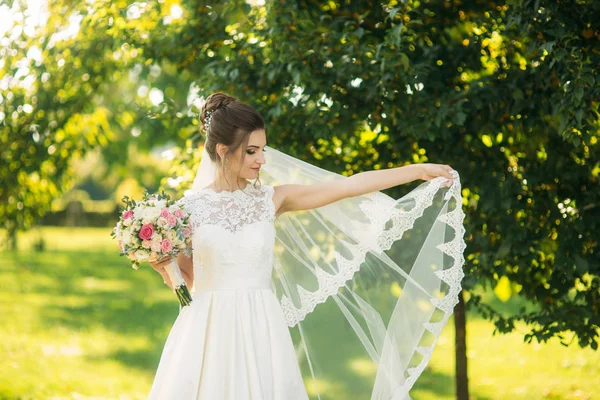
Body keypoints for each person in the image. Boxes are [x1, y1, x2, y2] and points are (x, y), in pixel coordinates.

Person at [147, 92, 462, 399]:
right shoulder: (188, 210)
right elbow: (190, 283)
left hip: (261, 325)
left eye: (263, 149)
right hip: (208, 330)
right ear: (223, 149)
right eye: (252, 151)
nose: (263, 160)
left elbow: (348, 186)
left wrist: (418, 171)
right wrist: (165, 267)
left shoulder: (273, 199)